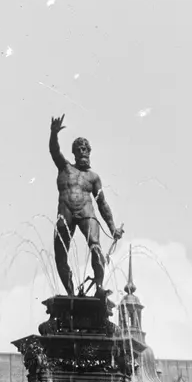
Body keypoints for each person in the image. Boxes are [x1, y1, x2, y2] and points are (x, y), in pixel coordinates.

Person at [49, 115, 124, 298]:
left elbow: (102, 203)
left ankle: (99, 288)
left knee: (96, 247)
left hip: (86, 211)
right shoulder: (65, 167)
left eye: (86, 149)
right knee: (60, 255)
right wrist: (53, 134)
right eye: (80, 149)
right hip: (65, 211)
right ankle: (71, 292)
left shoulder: (93, 177)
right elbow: (54, 151)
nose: (84, 152)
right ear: (74, 153)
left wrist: (112, 227)